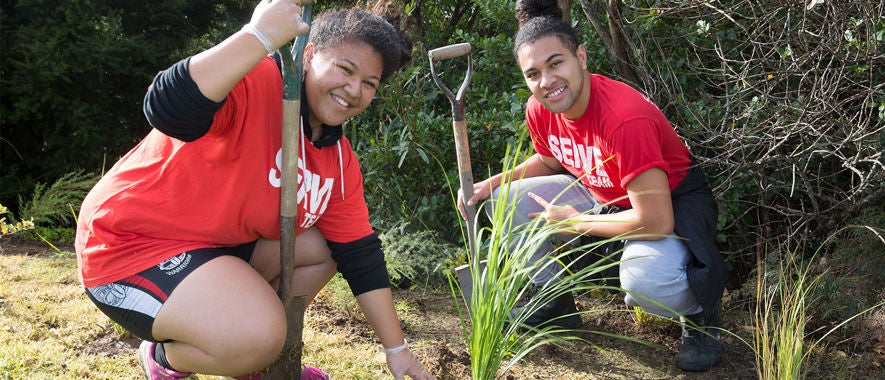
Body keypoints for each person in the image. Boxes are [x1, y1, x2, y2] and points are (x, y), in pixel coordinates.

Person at [75, 1, 435, 379]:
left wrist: (397, 350)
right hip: (128, 246)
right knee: (260, 335)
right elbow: (165, 108)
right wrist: (258, 35)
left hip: (211, 250)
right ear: (309, 55)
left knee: (325, 246)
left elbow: (361, 256)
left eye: (369, 84)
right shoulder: (258, 80)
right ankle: (167, 358)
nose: (353, 89)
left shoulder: (338, 163)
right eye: (345, 69)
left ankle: (251, 355)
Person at [458, 0, 727, 372]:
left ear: (581, 57)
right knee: (507, 200)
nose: (546, 81)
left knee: (644, 281)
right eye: (532, 73)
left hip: (672, 203)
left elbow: (656, 220)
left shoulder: (623, 119)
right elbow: (552, 161)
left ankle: (700, 312)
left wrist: (574, 222)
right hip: (604, 194)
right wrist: (489, 184)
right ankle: (553, 302)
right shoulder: (540, 108)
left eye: (556, 64)